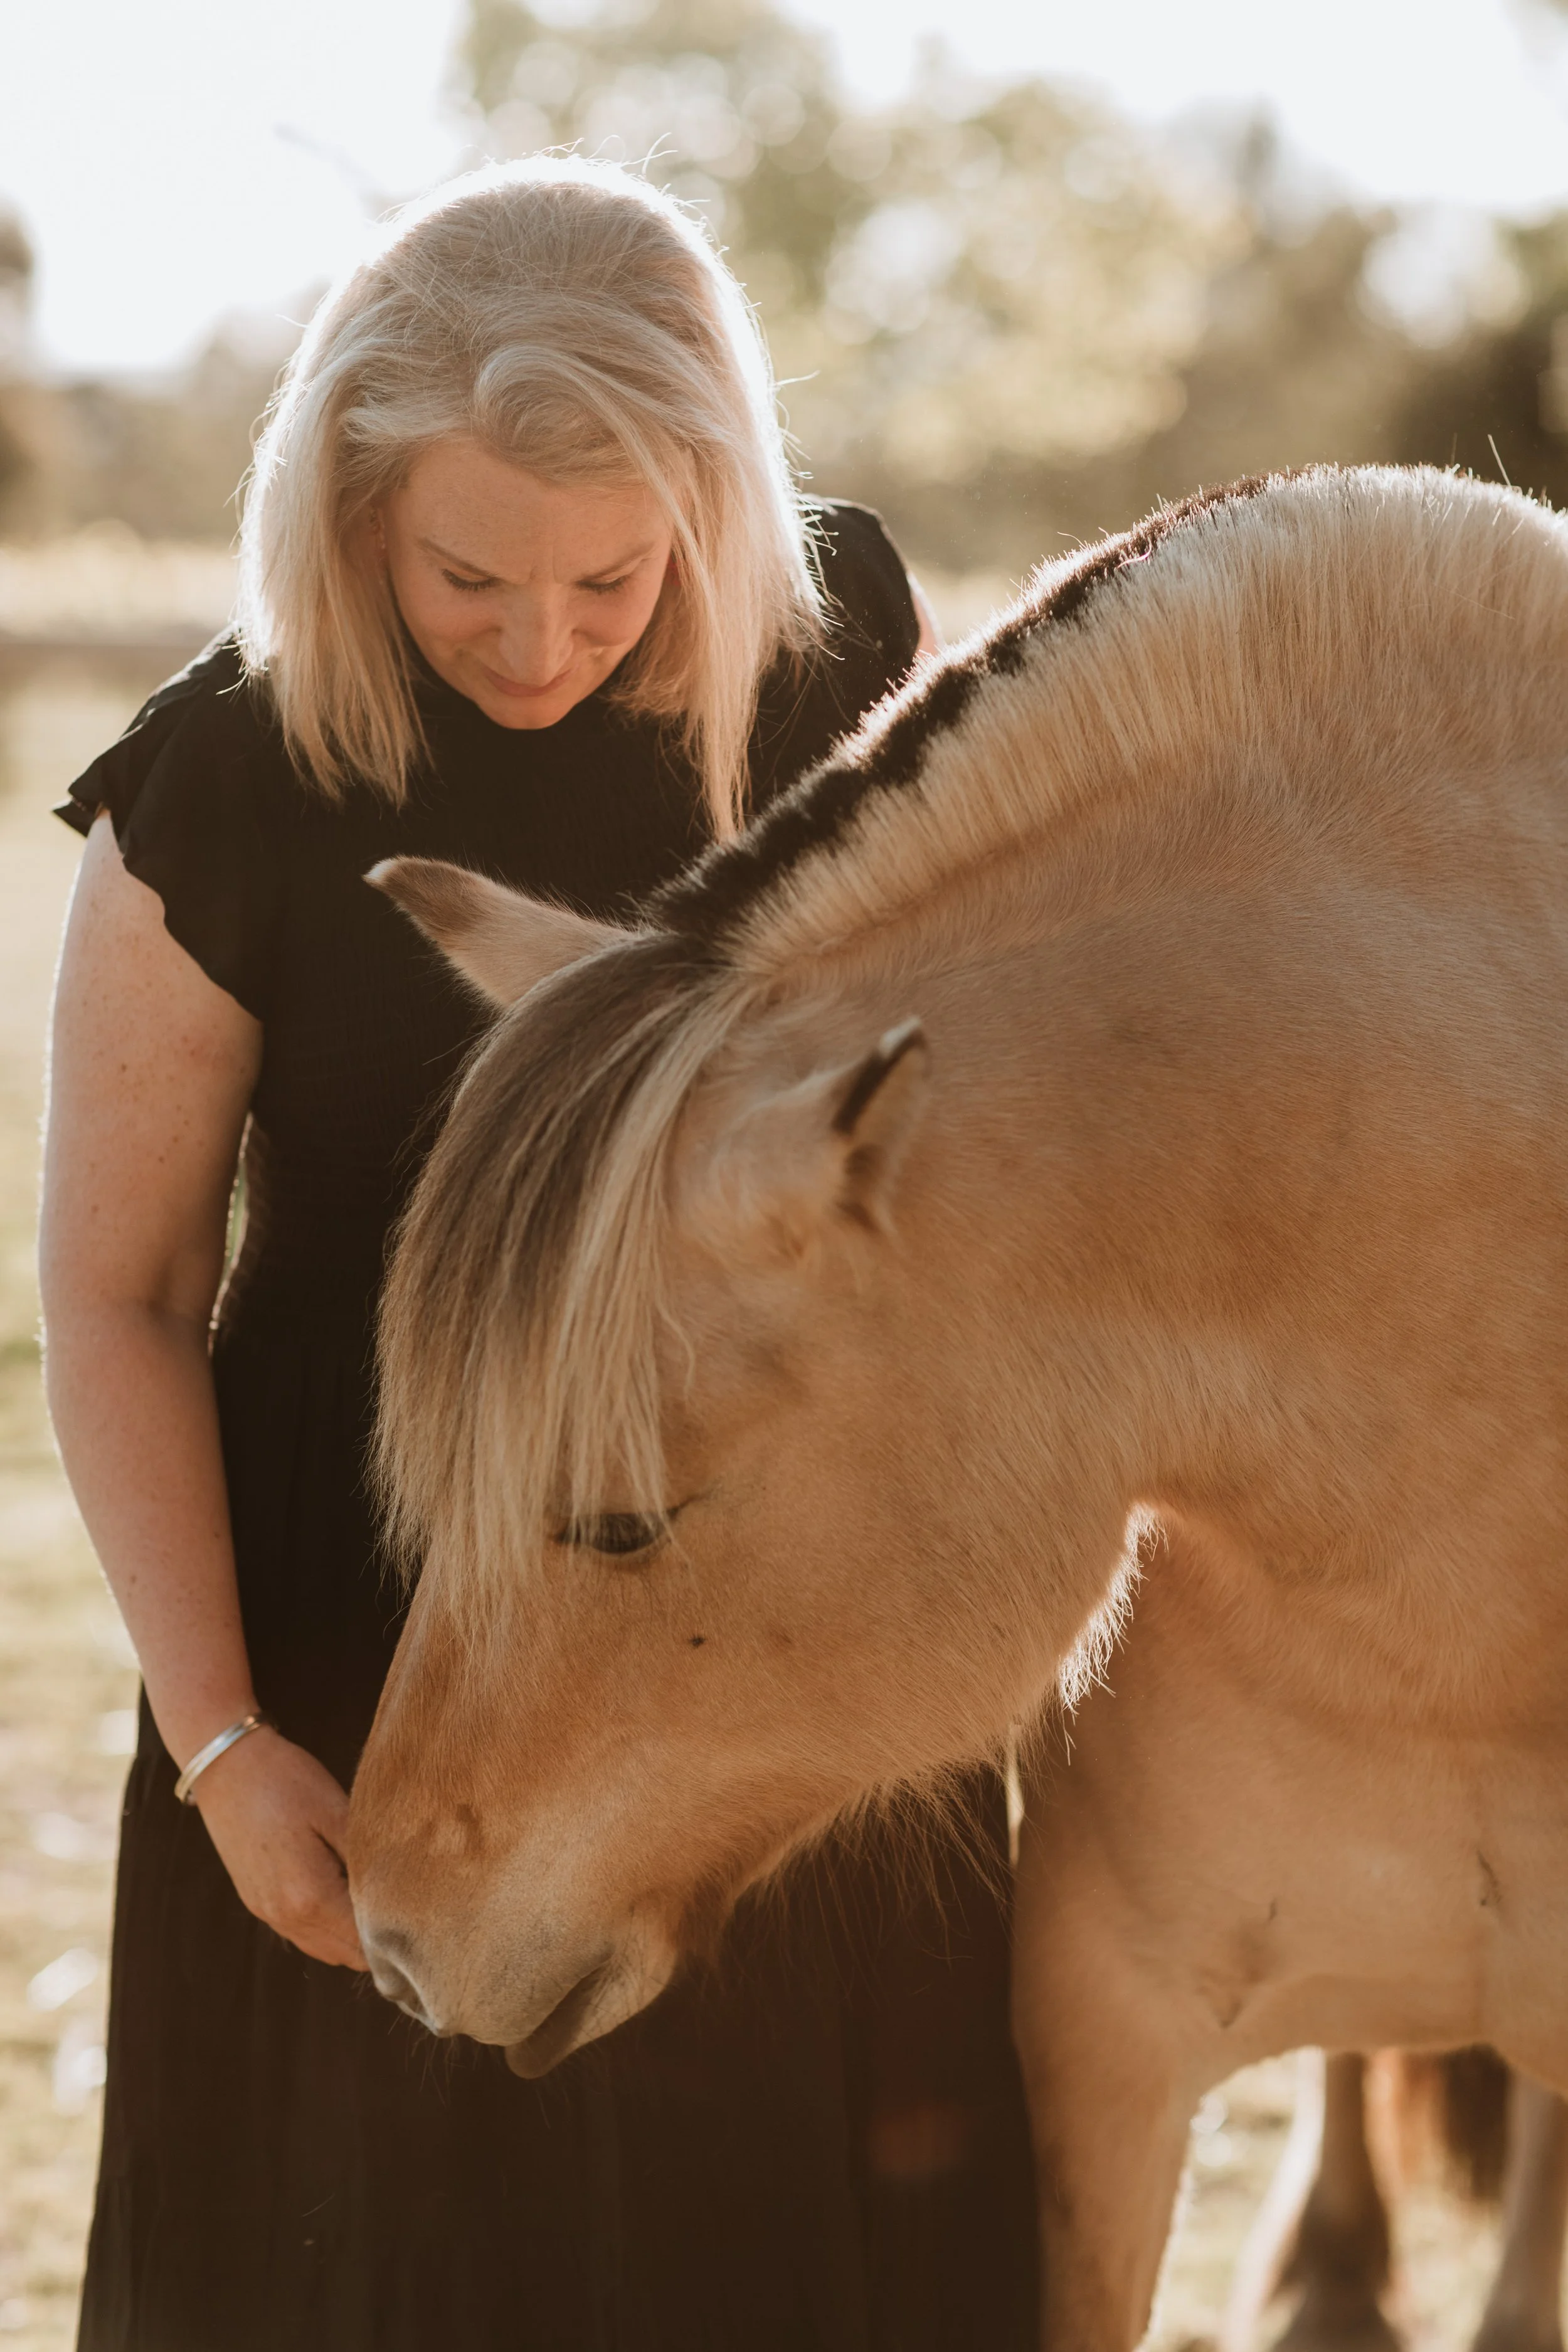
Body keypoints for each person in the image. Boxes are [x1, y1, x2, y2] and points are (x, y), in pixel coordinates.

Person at [40, 157, 1038, 2351]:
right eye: (466, 573)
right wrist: (221, 1743)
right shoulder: (217, 782)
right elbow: (114, 1297)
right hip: (344, 1603)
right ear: (351, 506)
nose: (542, 636)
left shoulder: (843, 649)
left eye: (613, 574)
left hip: (761, 1589)